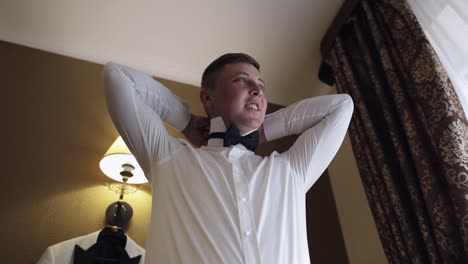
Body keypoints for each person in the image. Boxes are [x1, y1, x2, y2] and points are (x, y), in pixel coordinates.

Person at [103, 53, 353, 264]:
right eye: (242, 81)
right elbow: (117, 76)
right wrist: (187, 122)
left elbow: (342, 106)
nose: (257, 90)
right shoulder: (168, 158)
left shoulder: (291, 170)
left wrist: (263, 130)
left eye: (261, 86)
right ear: (208, 98)